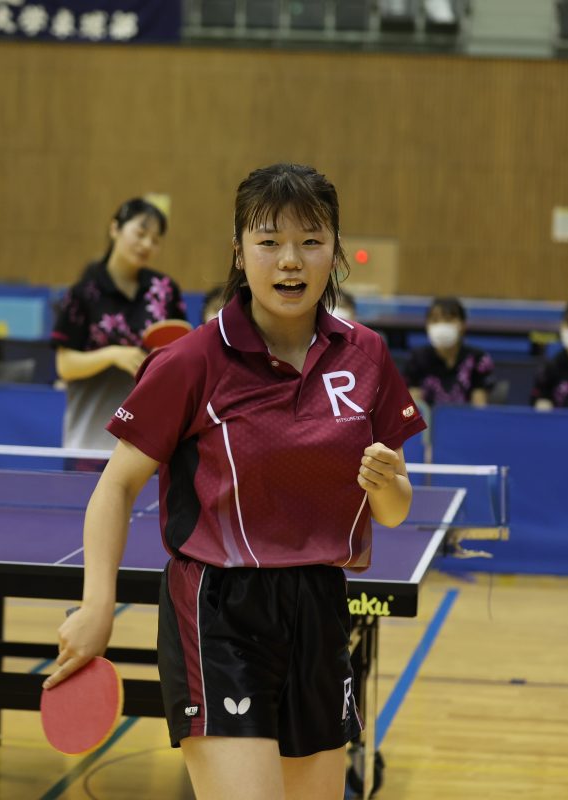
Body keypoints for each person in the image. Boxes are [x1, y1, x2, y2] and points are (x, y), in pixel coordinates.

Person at [44, 164, 426, 799]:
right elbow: (114, 487)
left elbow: (392, 510)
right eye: (269, 241)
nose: (290, 260)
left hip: (320, 607)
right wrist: (97, 605)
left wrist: (386, 482)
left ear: (334, 249)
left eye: (311, 240)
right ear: (239, 252)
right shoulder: (193, 360)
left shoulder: (366, 355)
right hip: (220, 612)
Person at [51, 198, 188, 450]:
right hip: (90, 437)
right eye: (141, 233)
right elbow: (64, 365)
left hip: (150, 440)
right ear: (115, 229)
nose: (147, 244)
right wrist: (112, 355)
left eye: (156, 240)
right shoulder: (84, 293)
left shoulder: (166, 290)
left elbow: (183, 356)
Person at [403, 297, 495, 407]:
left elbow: (479, 409)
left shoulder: (478, 360)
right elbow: (415, 408)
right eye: (435, 320)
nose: (441, 325)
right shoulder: (417, 358)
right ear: (427, 325)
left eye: (448, 319)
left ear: (463, 324)